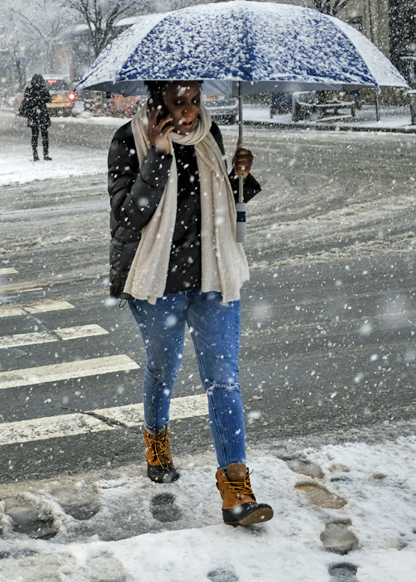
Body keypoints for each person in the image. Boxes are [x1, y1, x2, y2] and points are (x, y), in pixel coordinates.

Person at [107, 80, 273, 528]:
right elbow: (129, 215)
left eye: (196, 100)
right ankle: (157, 440)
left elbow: (222, 208)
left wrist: (240, 175)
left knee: (224, 379)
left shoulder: (210, 136)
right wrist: (159, 155)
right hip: (156, 280)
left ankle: (236, 489)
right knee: (164, 365)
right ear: (157, 100)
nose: (189, 111)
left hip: (213, 275)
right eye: (179, 101)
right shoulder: (129, 140)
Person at [20, 74, 52, 161]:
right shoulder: (44, 89)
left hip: (33, 115)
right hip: (42, 114)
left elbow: (26, 102)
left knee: (34, 135)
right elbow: (49, 99)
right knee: (44, 135)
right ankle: (45, 153)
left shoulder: (29, 90)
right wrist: (41, 100)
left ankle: (35, 153)